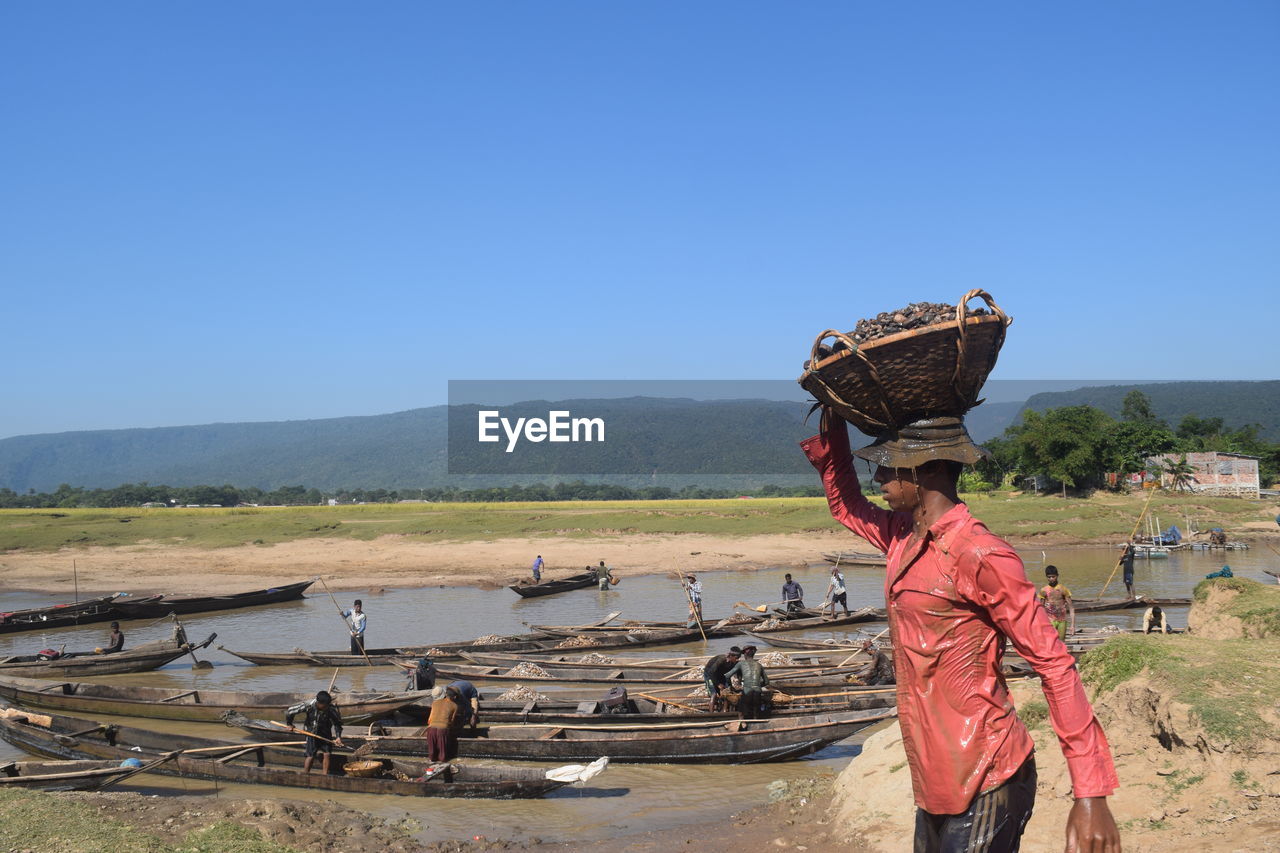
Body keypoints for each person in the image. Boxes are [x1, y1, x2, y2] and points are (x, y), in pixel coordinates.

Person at [802, 411, 1118, 852]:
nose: (877, 477)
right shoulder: (900, 536)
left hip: (986, 768)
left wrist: (1091, 794)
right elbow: (845, 505)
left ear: (929, 467)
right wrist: (832, 423)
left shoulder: (981, 554)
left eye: (888, 465)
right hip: (933, 773)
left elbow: (1055, 665)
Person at [285, 690, 344, 773]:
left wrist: (338, 737)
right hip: (311, 732)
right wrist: (289, 724)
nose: (326, 707)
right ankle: (306, 775)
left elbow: (337, 724)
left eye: (327, 705)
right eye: (325, 705)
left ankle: (325, 776)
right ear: (319, 703)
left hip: (325, 733)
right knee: (310, 755)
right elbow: (290, 711)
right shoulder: (309, 705)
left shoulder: (331, 709)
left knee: (327, 754)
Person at [725, 645, 769, 720]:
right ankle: (755, 723)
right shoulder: (759, 665)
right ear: (753, 654)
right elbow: (767, 682)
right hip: (757, 691)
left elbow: (727, 676)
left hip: (747, 691)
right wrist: (757, 685)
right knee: (755, 712)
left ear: (745, 655)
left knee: (741, 712)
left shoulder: (741, 664)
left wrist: (730, 686)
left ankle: (741, 724)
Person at [1038, 566, 1076, 641]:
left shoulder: (1063, 589)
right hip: (1049, 621)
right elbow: (1040, 609)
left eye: (1053, 576)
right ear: (1046, 577)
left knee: (1061, 643)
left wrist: (1072, 626)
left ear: (1057, 576)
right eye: (1049, 577)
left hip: (1062, 620)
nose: (1051, 579)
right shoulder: (1044, 590)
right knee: (1050, 642)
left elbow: (1071, 608)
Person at [425, 684, 460, 761]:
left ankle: (431, 764)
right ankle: (443, 764)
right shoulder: (455, 706)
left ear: (446, 694)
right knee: (442, 754)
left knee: (431, 753)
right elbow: (451, 722)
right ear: (455, 697)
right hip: (443, 729)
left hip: (431, 729)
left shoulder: (435, 703)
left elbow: (429, 720)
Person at [702, 646, 742, 711]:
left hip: (720, 674)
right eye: (736, 658)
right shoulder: (721, 660)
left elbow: (737, 673)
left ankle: (724, 710)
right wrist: (718, 684)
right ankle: (711, 714)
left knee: (727, 691)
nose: (737, 660)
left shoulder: (734, 663)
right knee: (714, 694)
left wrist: (738, 683)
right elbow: (711, 673)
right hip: (709, 674)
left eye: (739, 658)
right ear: (731, 656)